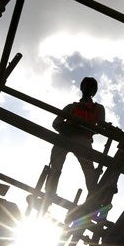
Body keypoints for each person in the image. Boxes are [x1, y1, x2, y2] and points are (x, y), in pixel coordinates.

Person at [45, 77, 107, 206]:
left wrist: (84, 128)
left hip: (83, 139)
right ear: (82, 87)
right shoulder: (71, 106)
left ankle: (93, 202)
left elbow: (100, 127)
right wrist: (67, 129)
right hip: (65, 137)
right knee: (55, 165)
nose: (88, 87)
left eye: (91, 86)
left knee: (89, 170)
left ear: (94, 91)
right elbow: (56, 123)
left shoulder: (98, 108)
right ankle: (49, 195)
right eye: (86, 85)